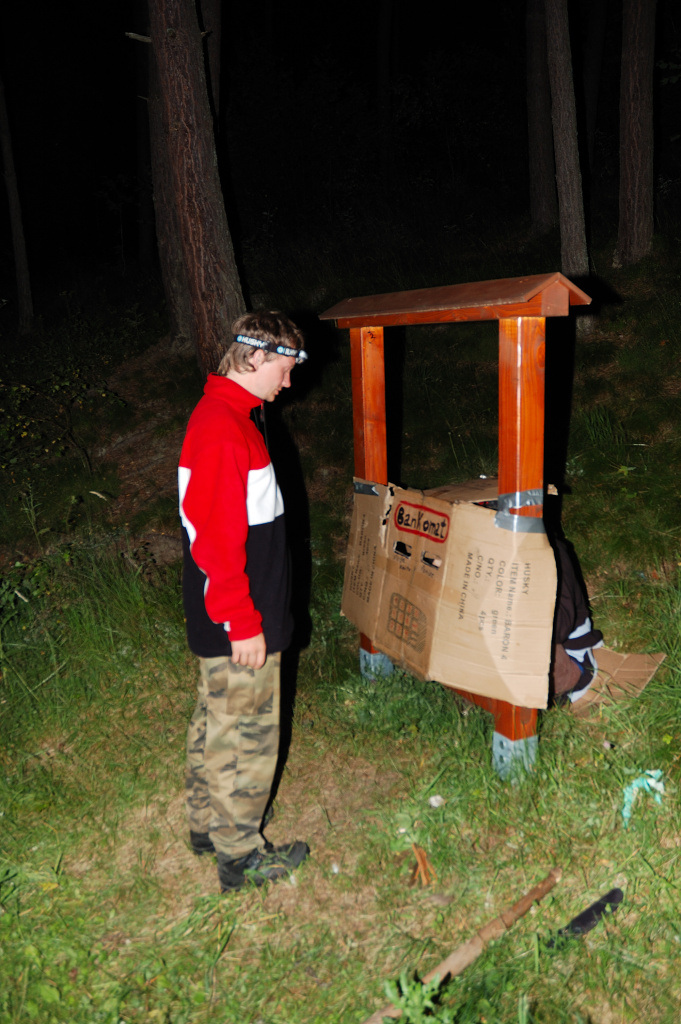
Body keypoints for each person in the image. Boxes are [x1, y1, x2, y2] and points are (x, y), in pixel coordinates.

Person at [178, 310, 309, 892]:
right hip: (239, 617)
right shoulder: (222, 428)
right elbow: (214, 537)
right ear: (255, 357)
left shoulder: (230, 417)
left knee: (217, 717)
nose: (289, 382)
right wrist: (243, 621)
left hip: (234, 612)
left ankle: (209, 825)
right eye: (284, 368)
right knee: (246, 731)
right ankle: (239, 856)